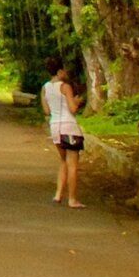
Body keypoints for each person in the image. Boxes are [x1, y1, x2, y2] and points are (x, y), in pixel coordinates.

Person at [43, 65, 85, 207]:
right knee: (72, 164)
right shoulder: (65, 87)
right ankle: (72, 199)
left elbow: (47, 111)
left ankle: (58, 194)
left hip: (55, 127)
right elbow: (72, 109)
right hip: (68, 126)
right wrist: (77, 102)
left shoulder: (45, 88)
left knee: (63, 161)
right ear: (60, 71)